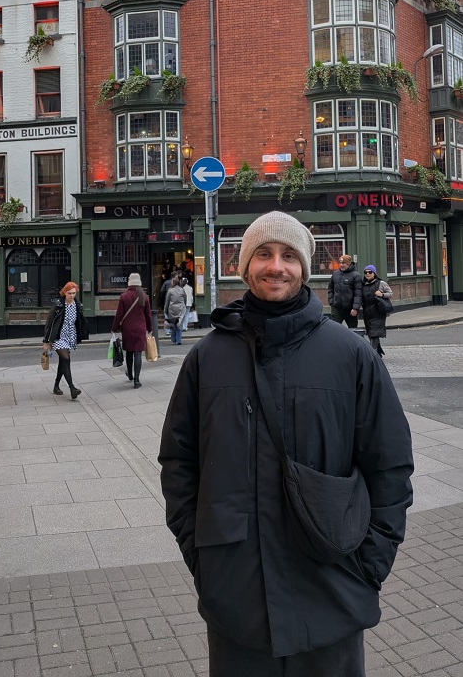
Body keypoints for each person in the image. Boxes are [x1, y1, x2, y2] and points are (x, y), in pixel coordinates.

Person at [159, 211, 413, 676]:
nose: (276, 266)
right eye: (263, 253)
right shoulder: (207, 358)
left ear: (305, 268)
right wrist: (201, 556)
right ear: (244, 267)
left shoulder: (351, 354)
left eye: (289, 255)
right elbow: (179, 462)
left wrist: (370, 565)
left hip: (332, 590)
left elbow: (390, 463)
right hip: (237, 598)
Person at [43, 281, 89, 400]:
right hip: (58, 337)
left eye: (74, 293)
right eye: (69, 293)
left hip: (71, 336)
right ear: (64, 293)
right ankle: (72, 388)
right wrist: (46, 341)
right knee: (66, 358)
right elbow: (49, 323)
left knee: (63, 362)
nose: (72, 295)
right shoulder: (58, 305)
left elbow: (79, 321)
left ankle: (56, 386)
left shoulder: (78, 305)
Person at [112, 272, 152, 389]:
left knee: (129, 352)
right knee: (138, 353)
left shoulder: (124, 296)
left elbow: (119, 315)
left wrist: (114, 328)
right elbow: (148, 315)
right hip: (140, 328)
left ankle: (130, 374)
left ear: (129, 282)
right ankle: (137, 380)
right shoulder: (144, 296)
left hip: (127, 328)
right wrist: (150, 329)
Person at [362, 264, 393, 358]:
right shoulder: (363, 284)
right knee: (370, 332)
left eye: (370, 272)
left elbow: (390, 293)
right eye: (365, 272)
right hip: (367, 312)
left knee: (374, 333)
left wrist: (382, 295)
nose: (367, 274)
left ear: (374, 273)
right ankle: (378, 351)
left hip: (378, 312)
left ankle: (373, 355)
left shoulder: (381, 283)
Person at [328, 253, 362, 328]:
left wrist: (355, 308)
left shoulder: (356, 275)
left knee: (353, 330)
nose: (341, 265)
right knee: (334, 329)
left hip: (350, 309)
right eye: (340, 263)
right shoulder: (335, 274)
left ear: (349, 264)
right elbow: (330, 288)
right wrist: (331, 301)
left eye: (343, 263)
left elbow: (358, 293)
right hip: (337, 308)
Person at [164, 275, 186, 345]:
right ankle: (179, 340)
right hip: (181, 308)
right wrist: (184, 306)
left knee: (173, 324)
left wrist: (165, 310)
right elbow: (185, 299)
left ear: (174, 283)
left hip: (172, 309)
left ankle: (173, 339)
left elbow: (167, 301)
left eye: (172, 282)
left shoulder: (170, 291)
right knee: (179, 324)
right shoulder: (182, 290)